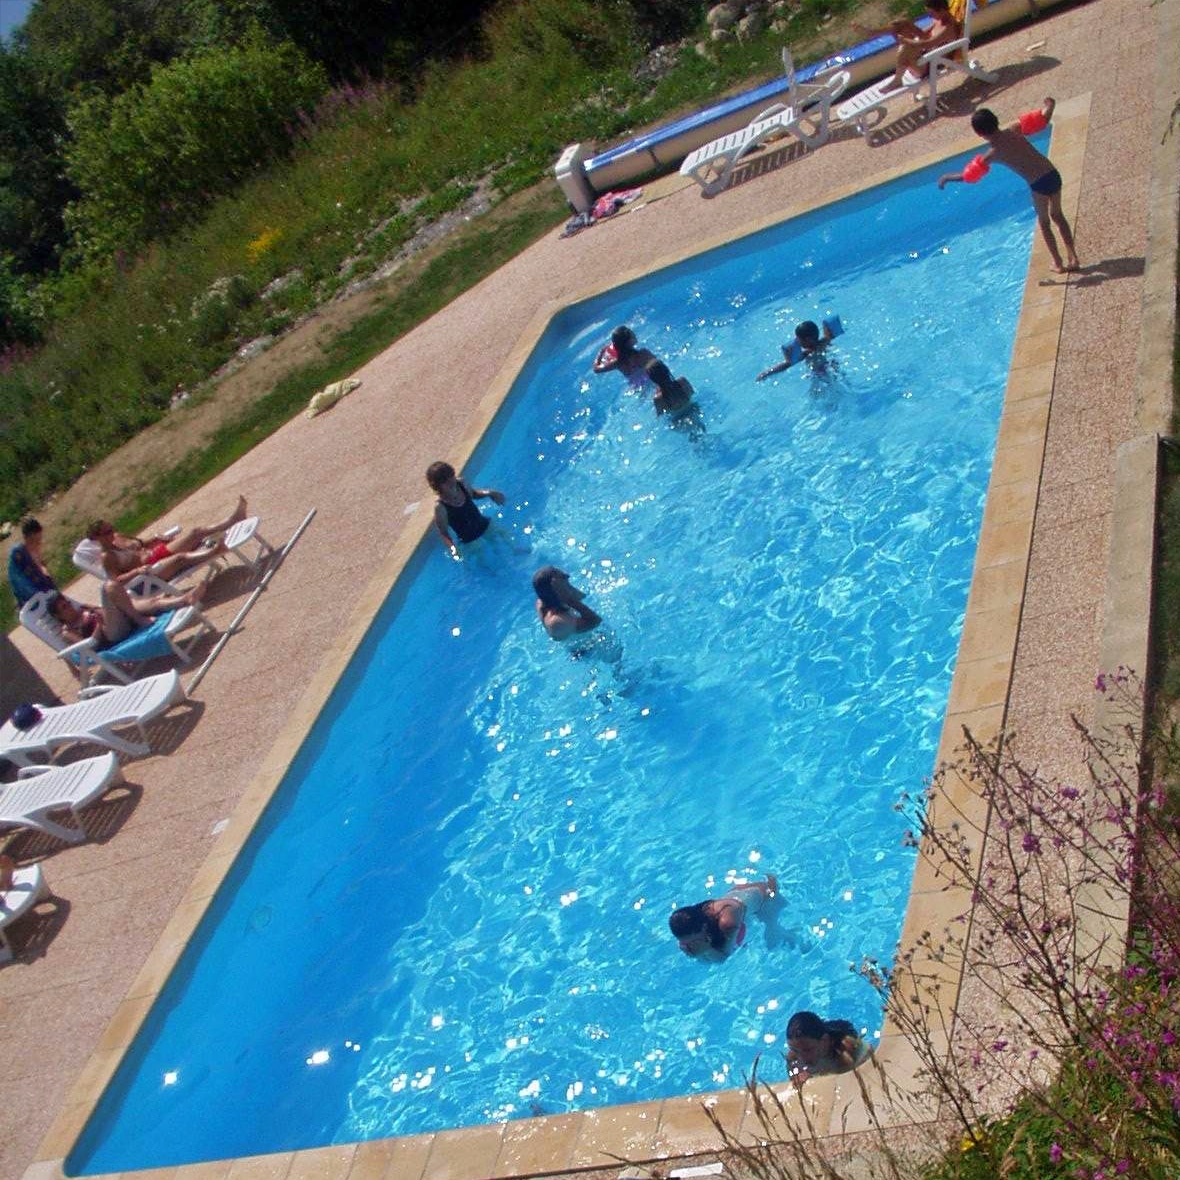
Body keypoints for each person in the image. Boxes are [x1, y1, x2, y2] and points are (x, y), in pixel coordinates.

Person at [937, 99, 1080, 274]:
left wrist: (946, 177)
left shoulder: (993, 154)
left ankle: (1058, 263)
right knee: (1057, 215)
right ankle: (1073, 257)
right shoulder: (1015, 129)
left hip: (1038, 184)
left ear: (979, 133)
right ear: (996, 120)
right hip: (1052, 174)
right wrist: (1050, 105)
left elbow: (968, 175)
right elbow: (1042, 119)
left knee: (1044, 222)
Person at [84, 494, 248, 583]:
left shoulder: (118, 537)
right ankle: (215, 550)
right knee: (180, 558)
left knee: (195, 532)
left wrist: (157, 537)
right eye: (107, 532)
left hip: (156, 553)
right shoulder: (107, 557)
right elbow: (115, 580)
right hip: (153, 571)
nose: (112, 533)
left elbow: (142, 544)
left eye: (111, 528)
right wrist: (136, 571)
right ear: (97, 538)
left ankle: (234, 519)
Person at [48, 580, 207, 649]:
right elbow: (92, 644)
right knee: (107, 588)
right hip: (111, 636)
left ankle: (185, 599)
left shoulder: (83, 607)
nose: (69, 606)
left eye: (67, 603)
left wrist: (105, 612)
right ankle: (139, 619)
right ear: (59, 616)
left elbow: (103, 610)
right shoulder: (67, 632)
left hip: (118, 622)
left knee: (136, 603)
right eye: (64, 607)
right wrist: (98, 624)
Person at [669, 875, 781, 961]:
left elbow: (725, 957)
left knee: (774, 940)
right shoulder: (696, 919)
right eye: (686, 943)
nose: (689, 945)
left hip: (766, 898)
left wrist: (706, 950)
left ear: (703, 928)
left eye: (693, 941)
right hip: (742, 896)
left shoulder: (727, 923)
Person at [854, 0, 961, 89]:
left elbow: (927, 44)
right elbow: (924, 35)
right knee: (902, 24)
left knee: (905, 47)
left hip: (930, 66)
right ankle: (872, 33)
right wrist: (907, 26)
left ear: (942, 11)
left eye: (932, 13)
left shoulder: (948, 28)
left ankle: (897, 80)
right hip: (925, 56)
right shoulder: (940, 19)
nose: (930, 16)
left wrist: (906, 41)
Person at [426, 462, 507, 558]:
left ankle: (516, 550)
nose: (450, 481)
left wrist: (490, 493)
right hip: (469, 539)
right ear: (437, 486)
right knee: (482, 558)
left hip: (483, 524)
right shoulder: (440, 507)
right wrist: (452, 548)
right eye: (445, 481)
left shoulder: (462, 484)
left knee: (504, 537)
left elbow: (473, 494)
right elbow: (443, 532)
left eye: (451, 476)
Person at [786, 1010, 870, 1082]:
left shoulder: (844, 1052)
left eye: (807, 1050)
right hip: (823, 1031)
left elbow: (851, 1081)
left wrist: (814, 1078)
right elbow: (793, 1072)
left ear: (824, 1041)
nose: (801, 1057)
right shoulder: (794, 1055)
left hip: (841, 1031)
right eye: (794, 1049)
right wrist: (796, 1076)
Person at [533, 565, 602, 641]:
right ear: (557, 588)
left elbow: (582, 596)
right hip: (586, 650)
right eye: (563, 576)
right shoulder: (558, 622)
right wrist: (568, 599)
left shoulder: (543, 601)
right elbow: (596, 621)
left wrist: (567, 589)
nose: (568, 575)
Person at [756, 320, 836, 381]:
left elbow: (787, 364)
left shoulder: (806, 353)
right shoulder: (824, 341)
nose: (796, 341)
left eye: (798, 339)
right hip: (830, 366)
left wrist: (766, 373)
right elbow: (830, 334)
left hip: (819, 375)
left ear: (808, 340)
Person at [7, 517, 57, 607]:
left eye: (39, 540)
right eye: (36, 540)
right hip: (30, 594)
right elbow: (18, 578)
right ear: (28, 536)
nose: (38, 542)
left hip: (44, 587)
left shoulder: (35, 547)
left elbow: (41, 567)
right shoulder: (18, 552)